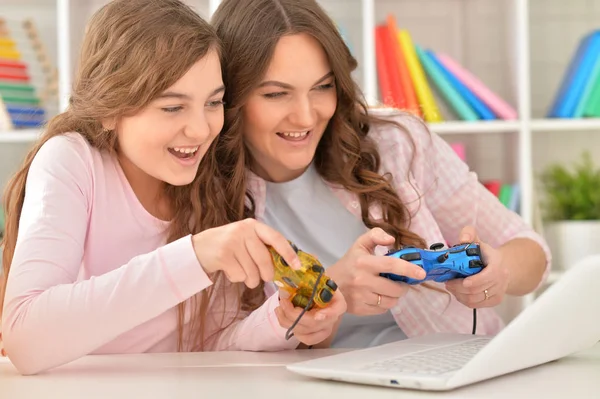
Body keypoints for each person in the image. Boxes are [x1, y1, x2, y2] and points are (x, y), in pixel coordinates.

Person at [0, 0, 345, 375]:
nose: (200, 130)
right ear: (109, 109)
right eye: (172, 107)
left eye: (213, 102)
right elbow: (25, 338)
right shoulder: (73, 161)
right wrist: (195, 256)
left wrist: (281, 322)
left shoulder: (210, 178)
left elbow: (208, 343)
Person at [211, 0, 551, 348]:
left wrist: (499, 271)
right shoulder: (204, 190)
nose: (306, 116)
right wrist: (332, 289)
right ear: (229, 96)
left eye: (322, 87)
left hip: (449, 360)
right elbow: (215, 345)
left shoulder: (397, 143)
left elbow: (532, 253)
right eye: (276, 94)